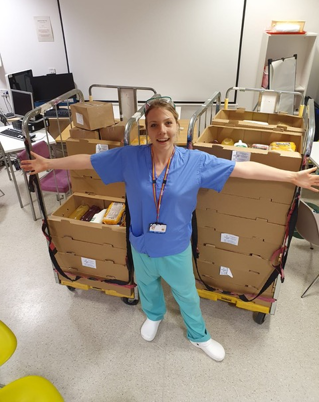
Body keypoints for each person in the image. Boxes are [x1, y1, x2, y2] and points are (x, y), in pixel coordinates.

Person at [21, 96, 319, 362]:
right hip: (141, 243)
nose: (161, 131)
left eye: (167, 123)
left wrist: (291, 176)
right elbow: (88, 160)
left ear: (177, 125)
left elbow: (243, 168)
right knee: (148, 287)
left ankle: (198, 335)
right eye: (153, 125)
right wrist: (50, 162)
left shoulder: (196, 161)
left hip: (175, 246)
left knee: (187, 294)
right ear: (146, 130)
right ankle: (154, 315)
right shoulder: (130, 157)